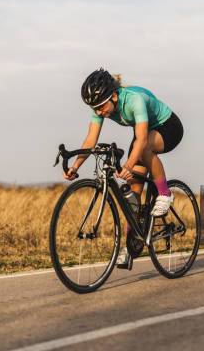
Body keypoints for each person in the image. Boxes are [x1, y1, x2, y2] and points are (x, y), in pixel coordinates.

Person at [63, 68, 184, 270]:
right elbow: (90, 140)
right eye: (95, 109)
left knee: (143, 148)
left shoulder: (135, 99)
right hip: (144, 135)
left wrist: (128, 165)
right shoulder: (101, 107)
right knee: (132, 196)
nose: (99, 112)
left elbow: (143, 139)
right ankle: (130, 247)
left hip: (169, 128)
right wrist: (75, 166)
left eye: (101, 107)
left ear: (113, 96)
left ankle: (164, 192)